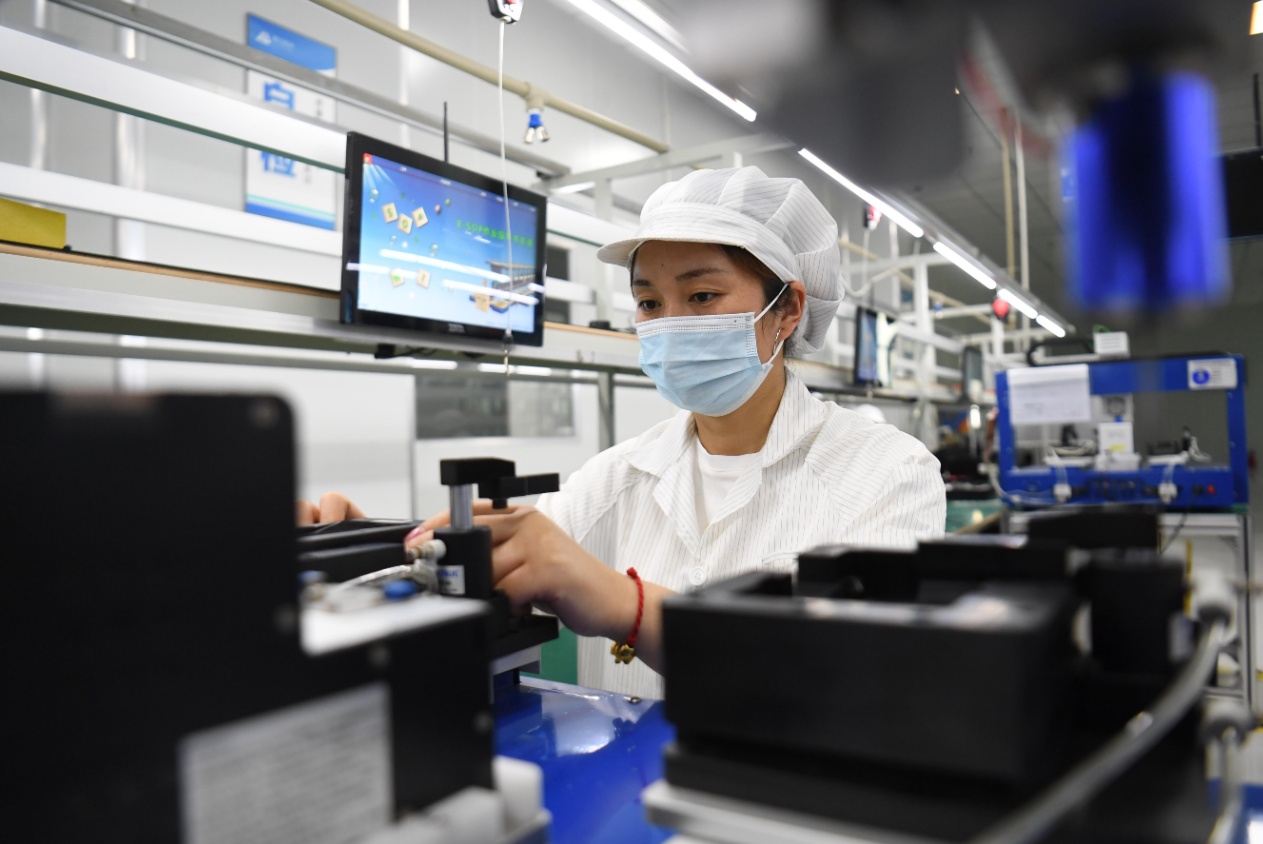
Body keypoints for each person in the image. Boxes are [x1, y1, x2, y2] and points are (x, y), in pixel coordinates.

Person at [303, 167, 946, 700]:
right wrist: (367, 547)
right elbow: (498, 560)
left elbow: (865, 676)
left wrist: (628, 605)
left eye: (701, 297)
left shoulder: (887, 471)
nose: (669, 324)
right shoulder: (616, 477)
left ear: (789, 310)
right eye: (649, 303)